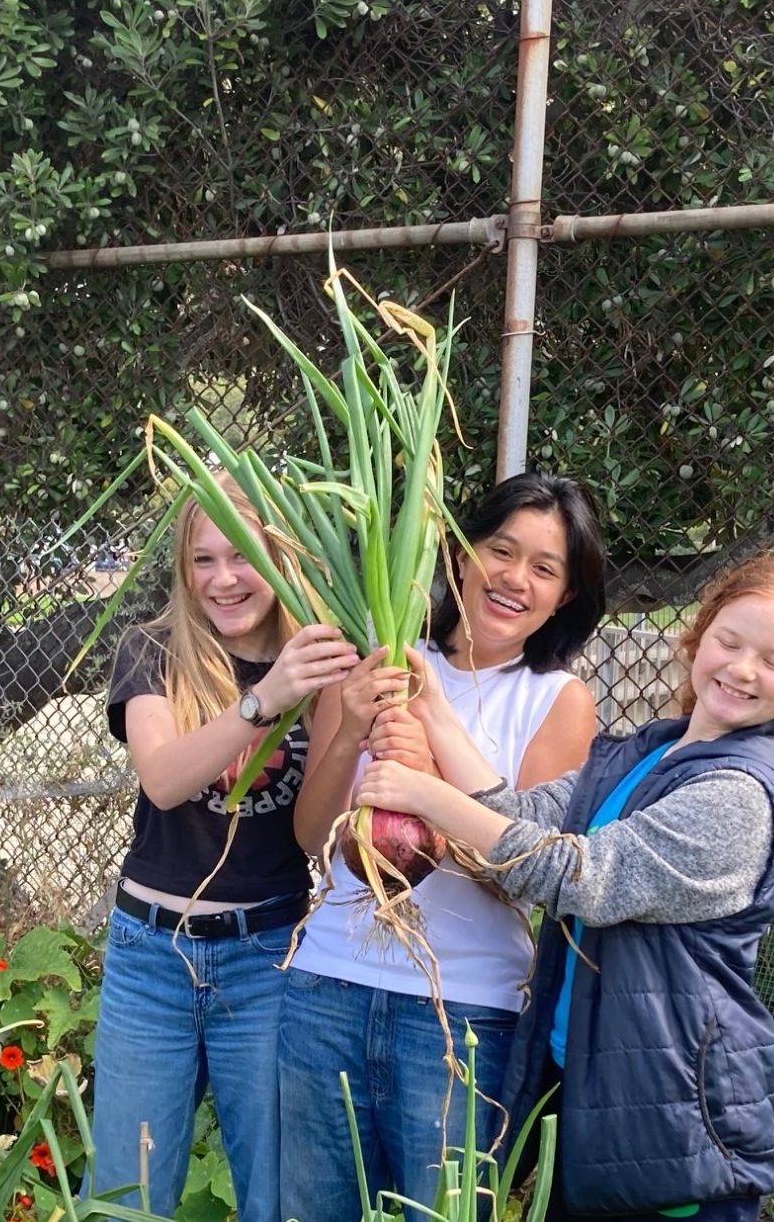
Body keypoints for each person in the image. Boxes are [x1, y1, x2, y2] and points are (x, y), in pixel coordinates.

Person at [357, 550, 774, 1222]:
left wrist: (424, 795)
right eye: (729, 642)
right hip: (595, 1096)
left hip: (671, 1126)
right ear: (699, 635)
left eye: (772, 660)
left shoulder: (740, 792)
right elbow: (520, 817)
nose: (740, 669)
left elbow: (577, 876)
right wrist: (435, 709)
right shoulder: (651, 753)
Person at [278, 473, 608, 1222]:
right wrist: (351, 735)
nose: (513, 578)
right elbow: (311, 839)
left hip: (461, 1013)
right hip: (325, 986)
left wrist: (427, 786)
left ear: (564, 596)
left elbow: (526, 878)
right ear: (459, 556)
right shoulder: (379, 663)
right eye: (500, 549)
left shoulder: (556, 700)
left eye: (544, 568)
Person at [87, 479, 359, 1222]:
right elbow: (166, 779)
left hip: (266, 954)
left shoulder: (322, 662)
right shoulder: (152, 649)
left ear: (279, 558)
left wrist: (347, 721)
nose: (223, 579)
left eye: (242, 557)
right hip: (151, 957)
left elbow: (312, 836)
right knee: (126, 1193)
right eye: (202, 560)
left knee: (275, 1192)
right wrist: (264, 699)